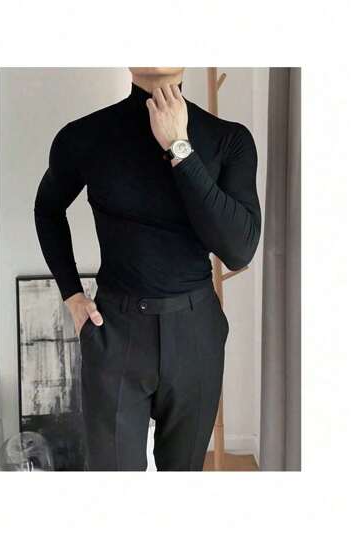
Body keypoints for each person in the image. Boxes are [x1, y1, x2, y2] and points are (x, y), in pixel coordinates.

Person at [34, 67, 261, 471]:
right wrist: (72, 295)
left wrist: (179, 147)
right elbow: (47, 209)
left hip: (195, 333)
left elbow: (239, 251)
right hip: (115, 331)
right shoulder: (85, 135)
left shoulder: (229, 139)